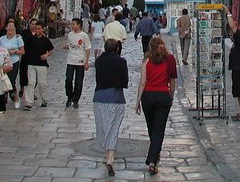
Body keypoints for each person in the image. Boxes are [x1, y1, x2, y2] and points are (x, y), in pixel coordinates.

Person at [135, 36, 177, 175]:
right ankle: (154, 159)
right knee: (159, 129)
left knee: (151, 128)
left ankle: (154, 157)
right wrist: (171, 95)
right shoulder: (170, 59)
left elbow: (142, 82)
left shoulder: (146, 61)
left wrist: (138, 101)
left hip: (148, 96)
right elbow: (172, 80)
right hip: (162, 96)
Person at [94, 39, 129, 177]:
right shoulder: (121, 62)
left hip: (99, 96)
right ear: (116, 49)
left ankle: (107, 153)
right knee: (113, 128)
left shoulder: (99, 61)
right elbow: (125, 81)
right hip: (116, 97)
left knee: (102, 127)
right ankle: (110, 157)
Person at [23, 21, 54, 110]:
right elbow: (24, 45)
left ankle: (44, 100)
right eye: (36, 29)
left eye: (39, 29)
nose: (37, 30)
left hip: (42, 64)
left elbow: (51, 49)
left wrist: (46, 55)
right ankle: (29, 102)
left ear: (42, 29)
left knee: (41, 83)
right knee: (31, 83)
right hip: (31, 63)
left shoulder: (45, 40)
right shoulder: (30, 39)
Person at [63, 18, 91, 109]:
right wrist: (66, 46)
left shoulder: (84, 36)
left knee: (78, 82)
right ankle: (69, 96)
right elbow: (70, 44)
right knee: (68, 79)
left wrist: (86, 61)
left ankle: (76, 99)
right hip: (70, 60)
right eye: (72, 24)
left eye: (74, 24)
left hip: (80, 61)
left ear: (79, 25)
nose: (72, 26)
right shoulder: (70, 35)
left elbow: (87, 49)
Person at [0, 19, 25, 109]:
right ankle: (3, 99)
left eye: (12, 26)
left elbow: (23, 51)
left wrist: (15, 51)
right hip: (3, 63)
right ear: (6, 28)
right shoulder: (2, 39)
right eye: (9, 26)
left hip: (14, 62)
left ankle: (15, 97)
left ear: (15, 28)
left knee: (11, 81)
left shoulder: (18, 38)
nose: (10, 28)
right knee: (3, 80)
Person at [19, 18, 37, 98]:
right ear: (29, 25)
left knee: (34, 75)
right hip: (26, 55)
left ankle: (32, 91)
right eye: (32, 24)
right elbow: (23, 42)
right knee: (23, 72)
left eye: (35, 24)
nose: (33, 26)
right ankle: (22, 88)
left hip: (35, 57)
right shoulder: (25, 32)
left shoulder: (39, 33)